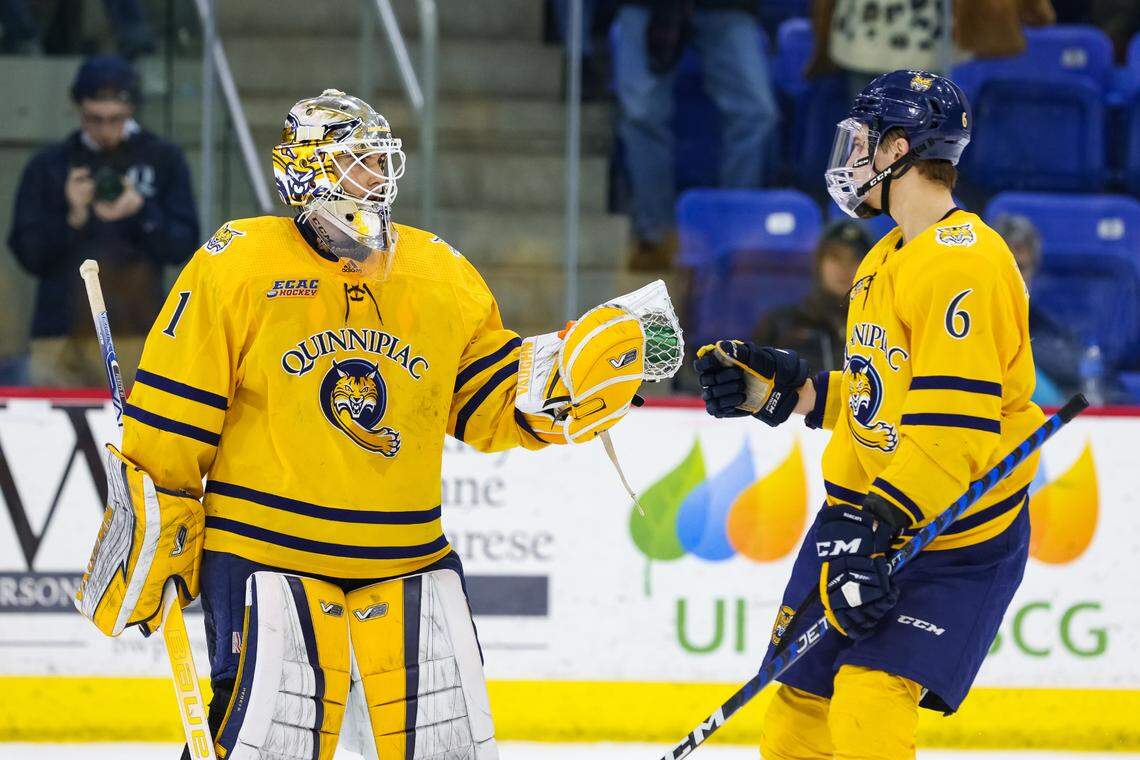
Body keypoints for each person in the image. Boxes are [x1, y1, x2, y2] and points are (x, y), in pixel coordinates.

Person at [72, 89, 668, 759]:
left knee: (445, 748)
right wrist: (158, 518)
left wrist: (563, 393)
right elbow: (175, 413)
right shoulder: (239, 263)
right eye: (359, 161)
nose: (378, 177)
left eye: (382, 161)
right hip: (267, 553)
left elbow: (486, 400)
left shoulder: (438, 270)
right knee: (265, 744)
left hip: (407, 556)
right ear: (306, 170)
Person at [695, 70, 1044, 759]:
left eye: (862, 141)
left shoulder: (963, 264)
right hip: (868, 515)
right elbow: (876, 400)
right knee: (799, 704)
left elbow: (950, 434)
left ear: (898, 150)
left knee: (869, 695)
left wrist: (877, 529)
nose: (850, 156)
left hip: (952, 532)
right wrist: (779, 392)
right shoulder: (885, 257)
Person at [7, 55, 197, 387]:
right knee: (46, 430)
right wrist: (72, 217)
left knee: (135, 431)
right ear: (78, 108)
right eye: (94, 119)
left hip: (135, 328)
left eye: (116, 119)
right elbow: (28, 255)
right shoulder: (50, 165)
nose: (106, 129)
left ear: (132, 110)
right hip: (59, 332)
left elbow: (183, 245)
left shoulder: (163, 158)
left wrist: (141, 210)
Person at [613, 0, 778, 269]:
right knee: (640, 113)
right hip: (647, 6)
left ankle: (735, 236)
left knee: (757, 114)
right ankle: (655, 235)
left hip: (726, 8)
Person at [753, 221, 870, 372]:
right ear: (819, 264)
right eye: (835, 257)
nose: (845, 267)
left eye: (855, 259)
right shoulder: (780, 325)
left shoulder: (881, 324)